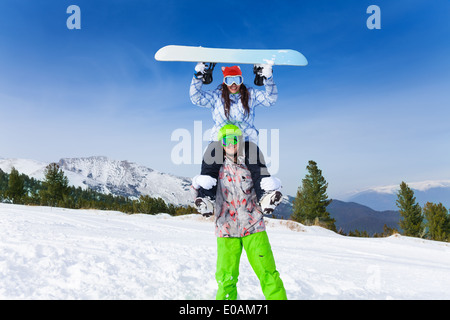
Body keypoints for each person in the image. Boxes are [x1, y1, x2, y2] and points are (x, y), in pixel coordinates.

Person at [192, 124, 287, 300]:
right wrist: (199, 190)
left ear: (240, 140)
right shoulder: (215, 166)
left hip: (253, 226)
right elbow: (204, 186)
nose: (230, 144)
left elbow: (262, 180)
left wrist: (272, 187)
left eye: (234, 139)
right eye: (225, 140)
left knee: (268, 273)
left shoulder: (250, 162)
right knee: (226, 277)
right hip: (226, 228)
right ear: (220, 143)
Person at [190, 63, 282, 216]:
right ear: (224, 81)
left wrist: (268, 78)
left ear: (241, 80)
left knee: (254, 158)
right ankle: (206, 197)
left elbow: (270, 99)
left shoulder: (250, 95)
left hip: (244, 138)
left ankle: (265, 196)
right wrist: (197, 77)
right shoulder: (216, 96)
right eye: (229, 80)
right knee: (211, 157)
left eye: (237, 79)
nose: (233, 84)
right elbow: (196, 98)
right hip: (221, 138)